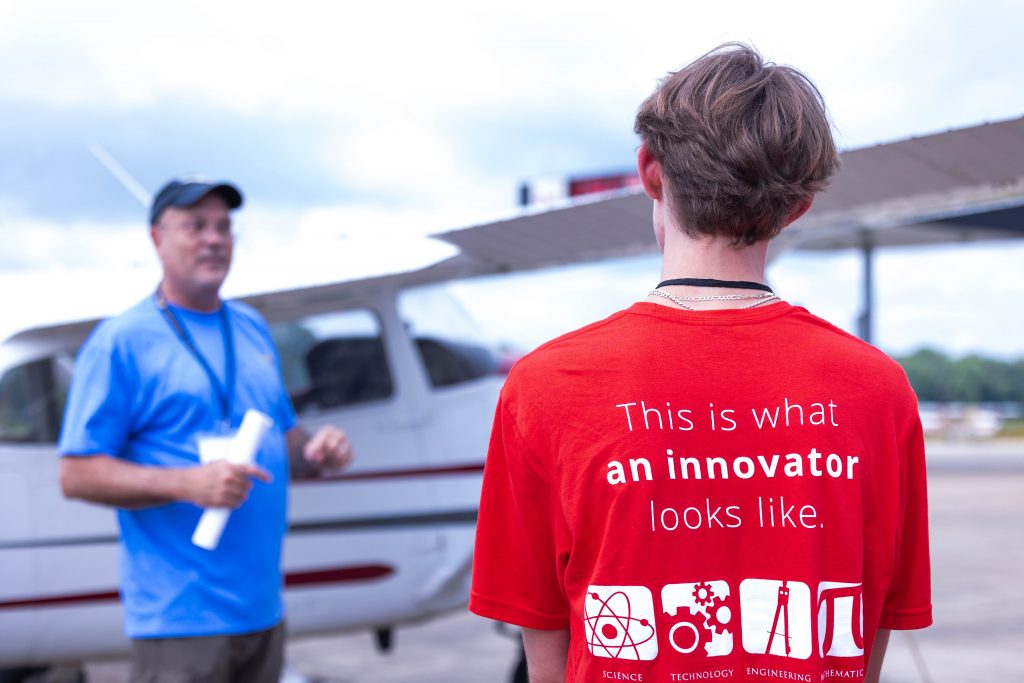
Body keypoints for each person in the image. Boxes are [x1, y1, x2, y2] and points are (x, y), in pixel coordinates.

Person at [469, 44, 931, 683]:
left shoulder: (544, 386)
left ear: (650, 172)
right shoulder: (879, 390)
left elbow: (539, 631)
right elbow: (873, 621)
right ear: (798, 206)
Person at [59, 177, 354, 683]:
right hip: (179, 619)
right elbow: (76, 473)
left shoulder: (251, 327)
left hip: (262, 610)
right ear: (157, 238)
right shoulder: (121, 342)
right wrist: (187, 483)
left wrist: (317, 453)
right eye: (195, 226)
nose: (214, 239)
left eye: (223, 227)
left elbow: (282, 442)